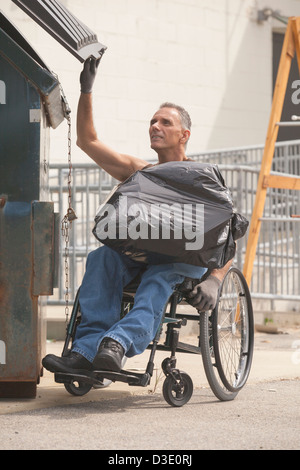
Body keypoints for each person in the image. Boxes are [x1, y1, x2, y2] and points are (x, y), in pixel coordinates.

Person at [42, 58, 232, 375]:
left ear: (184, 135)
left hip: (184, 259)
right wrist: (86, 89)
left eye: (165, 123)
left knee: (159, 278)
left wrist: (215, 279)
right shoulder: (141, 172)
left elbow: (229, 233)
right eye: (152, 121)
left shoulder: (202, 178)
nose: (155, 126)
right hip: (145, 254)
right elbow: (87, 141)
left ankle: (117, 343)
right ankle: (86, 352)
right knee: (102, 257)